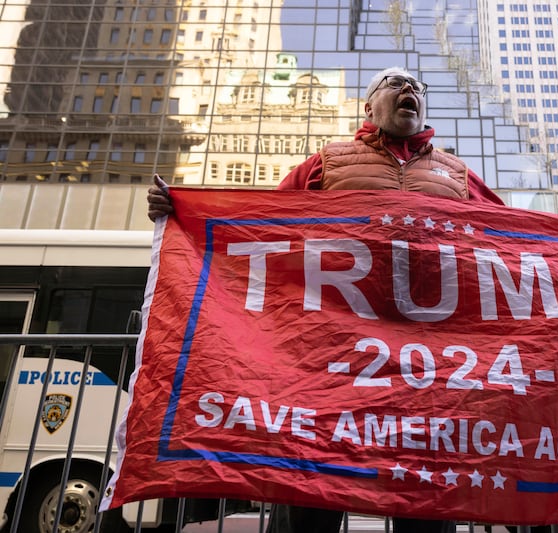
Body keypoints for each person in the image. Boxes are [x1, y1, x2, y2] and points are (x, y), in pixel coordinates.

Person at [146, 66, 504, 533]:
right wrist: (185, 213)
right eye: (397, 84)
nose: (411, 91)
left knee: (425, 493)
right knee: (313, 479)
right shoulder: (327, 163)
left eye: (418, 87)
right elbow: (259, 226)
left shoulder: (456, 174)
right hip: (335, 359)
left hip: (426, 365)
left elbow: (511, 238)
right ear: (369, 106)